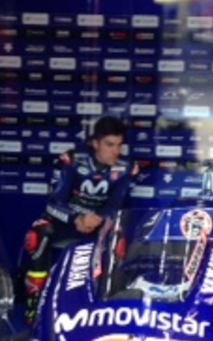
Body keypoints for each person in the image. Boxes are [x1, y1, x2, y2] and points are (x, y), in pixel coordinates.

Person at [22, 115, 137, 321]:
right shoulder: (71, 160)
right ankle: (35, 304)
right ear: (95, 143)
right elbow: (53, 202)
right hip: (66, 222)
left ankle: (107, 305)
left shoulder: (126, 168)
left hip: (97, 225)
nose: (116, 151)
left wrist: (98, 218)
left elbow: (116, 206)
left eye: (119, 145)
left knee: (119, 239)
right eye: (110, 145)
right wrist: (76, 218)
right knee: (38, 234)